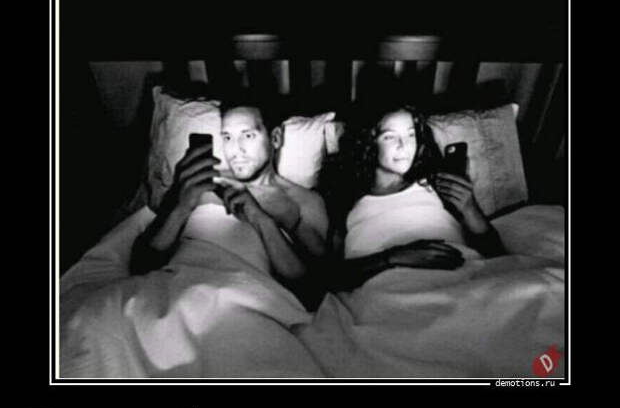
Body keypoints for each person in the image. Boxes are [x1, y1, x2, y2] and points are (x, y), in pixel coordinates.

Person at [130, 95, 329, 307]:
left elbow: (312, 291)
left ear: (276, 138)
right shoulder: (195, 185)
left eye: (248, 136)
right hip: (175, 294)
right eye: (227, 137)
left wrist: (261, 220)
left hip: (245, 301)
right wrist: (180, 207)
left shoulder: (300, 201)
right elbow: (141, 265)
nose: (236, 149)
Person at [323, 101, 504, 291]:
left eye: (411, 135)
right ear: (368, 141)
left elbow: (495, 253)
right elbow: (332, 278)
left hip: (461, 279)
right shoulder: (346, 198)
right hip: (389, 287)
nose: (405, 146)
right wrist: (396, 257)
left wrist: (470, 208)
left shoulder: (435, 182)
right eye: (390, 137)